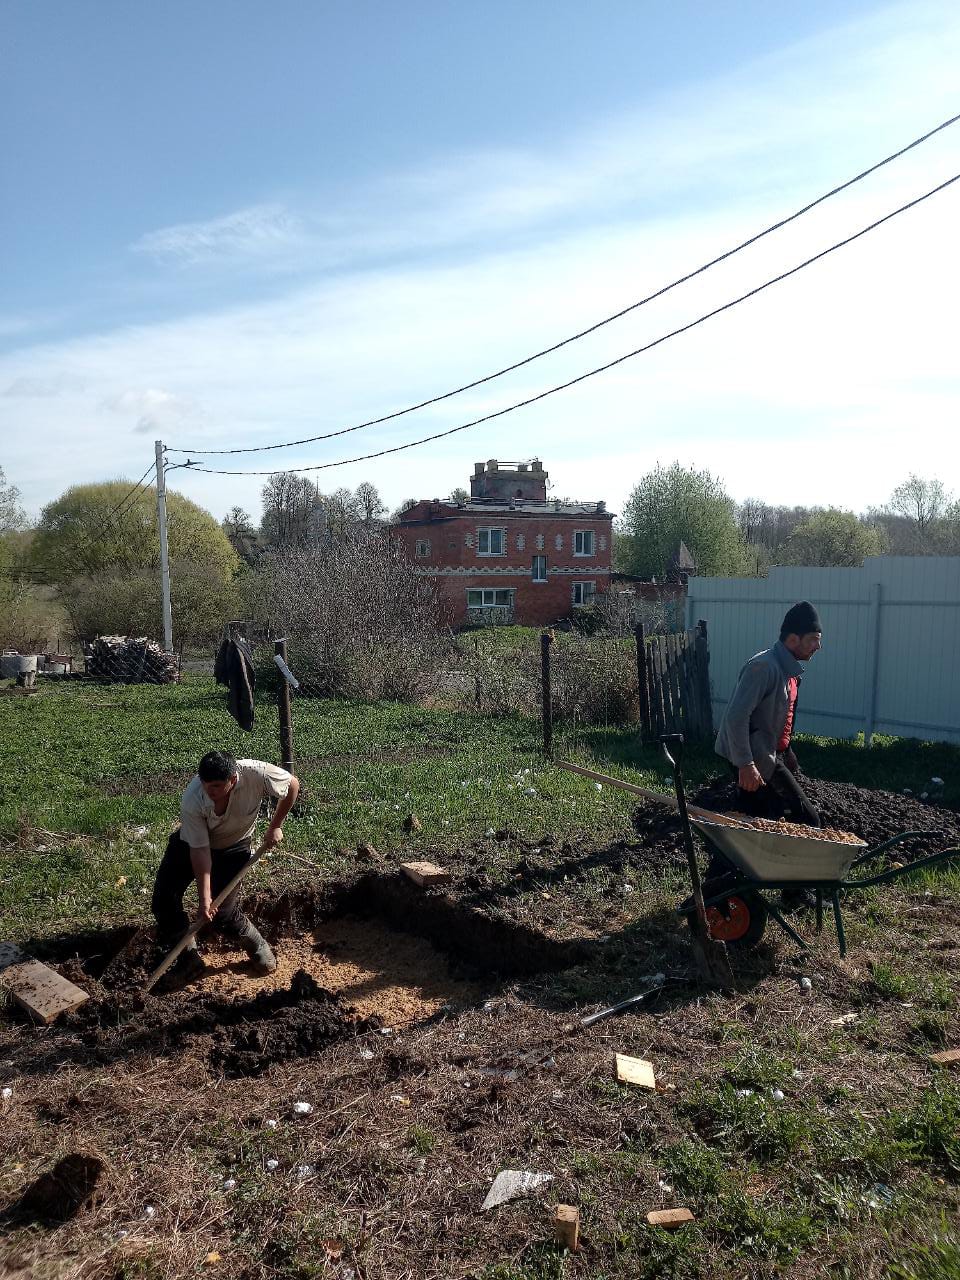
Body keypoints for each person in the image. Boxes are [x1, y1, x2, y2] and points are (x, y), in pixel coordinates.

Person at [151, 750, 300, 982]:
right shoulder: (193, 799)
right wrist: (204, 899)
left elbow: (292, 785)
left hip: (234, 846)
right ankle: (189, 959)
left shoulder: (256, 774)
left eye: (218, 786)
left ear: (233, 779)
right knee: (164, 901)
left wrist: (275, 826)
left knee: (224, 913)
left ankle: (257, 945)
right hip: (191, 843)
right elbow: (200, 851)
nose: (211, 792)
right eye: (206, 785)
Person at [715, 601, 823, 828]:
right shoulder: (763, 667)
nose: (818, 646)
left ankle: (738, 860)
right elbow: (736, 717)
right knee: (807, 820)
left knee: (755, 817)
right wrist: (745, 765)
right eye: (813, 639)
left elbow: (779, 718)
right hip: (752, 756)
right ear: (793, 639)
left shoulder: (789, 672)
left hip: (766, 753)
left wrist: (787, 750)